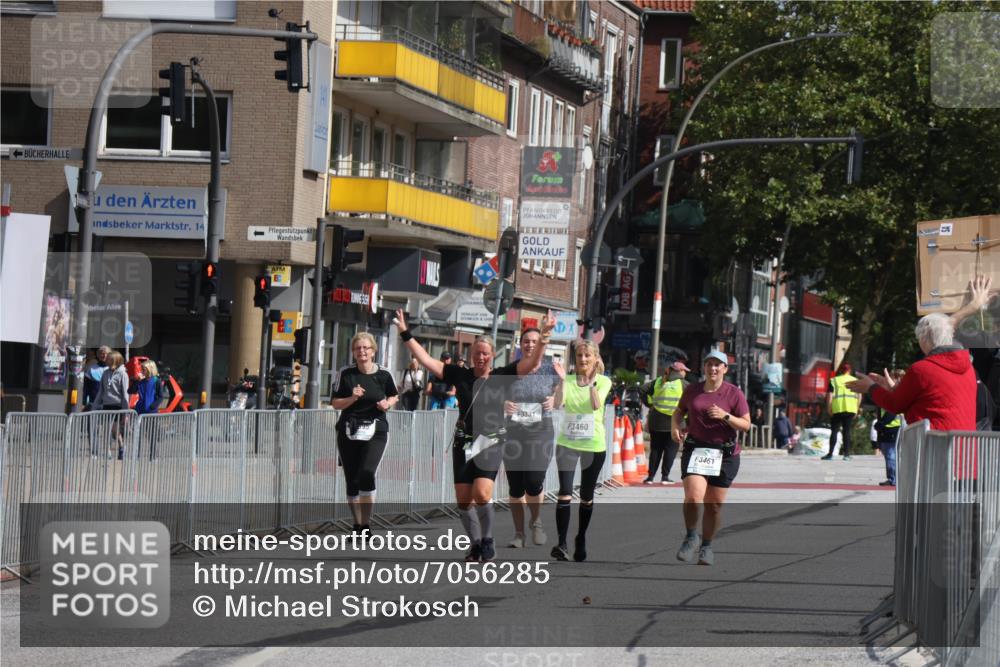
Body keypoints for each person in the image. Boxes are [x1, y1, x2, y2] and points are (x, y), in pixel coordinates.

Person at [395, 309, 555, 562]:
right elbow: (426, 359)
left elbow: (533, 363)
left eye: (485, 353)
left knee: (482, 493)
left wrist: (544, 336)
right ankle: (476, 543)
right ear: (471, 355)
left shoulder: (502, 375)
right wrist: (405, 333)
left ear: (492, 356)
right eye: (476, 353)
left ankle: (488, 539)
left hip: (491, 438)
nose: (480, 357)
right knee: (463, 499)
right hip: (463, 439)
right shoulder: (460, 375)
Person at [671, 350, 751, 566]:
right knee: (693, 497)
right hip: (696, 449)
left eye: (718, 365)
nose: (713, 368)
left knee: (713, 506)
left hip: (724, 453)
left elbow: (746, 424)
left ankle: (706, 546)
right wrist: (675, 425)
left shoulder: (734, 393)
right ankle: (690, 536)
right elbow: (679, 411)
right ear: (704, 367)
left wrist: (726, 416)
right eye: (709, 364)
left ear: (725, 368)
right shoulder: (693, 390)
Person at [492, 325, 562, 549]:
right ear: (520, 345)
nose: (530, 344)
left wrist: (555, 399)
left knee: (533, 480)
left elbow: (561, 401)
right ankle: (519, 534)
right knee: (515, 487)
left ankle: (536, 521)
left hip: (540, 431)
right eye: (526, 341)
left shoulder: (551, 370)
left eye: (534, 341)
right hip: (514, 431)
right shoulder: (511, 370)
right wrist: (503, 403)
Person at [846, 313, 976, 431]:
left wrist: (871, 388)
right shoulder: (969, 369)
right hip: (964, 449)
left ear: (925, 338)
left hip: (933, 448)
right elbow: (933, 397)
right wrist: (895, 389)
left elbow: (895, 405)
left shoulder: (922, 369)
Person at [330, 332, 399, 535]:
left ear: (373, 351)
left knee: (367, 474)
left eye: (366, 348)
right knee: (352, 479)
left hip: (376, 429)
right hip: (348, 430)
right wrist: (352, 398)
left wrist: (388, 403)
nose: (362, 351)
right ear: (353, 352)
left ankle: (367, 524)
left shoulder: (384, 374)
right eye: (358, 348)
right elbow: (335, 403)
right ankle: (357, 524)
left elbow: (394, 395)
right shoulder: (346, 374)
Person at [551, 340, 612, 562]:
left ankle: (581, 537)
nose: (583, 360)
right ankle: (561, 543)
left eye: (587, 356)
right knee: (565, 492)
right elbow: (558, 404)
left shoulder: (604, 381)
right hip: (567, 443)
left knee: (586, 496)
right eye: (579, 356)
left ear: (595, 359)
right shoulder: (567, 380)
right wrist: (560, 383)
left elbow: (596, 405)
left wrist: (591, 382)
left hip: (593, 445)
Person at [641, 360, 690, 484]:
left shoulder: (658, 381)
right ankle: (665, 477)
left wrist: (649, 403)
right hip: (676, 423)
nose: (685, 373)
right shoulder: (684, 384)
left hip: (656, 421)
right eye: (684, 371)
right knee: (671, 450)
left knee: (655, 450)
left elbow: (641, 389)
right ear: (679, 372)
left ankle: (650, 477)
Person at [822, 362, 860, 461]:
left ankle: (830, 454)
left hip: (837, 409)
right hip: (850, 409)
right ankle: (846, 455)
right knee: (847, 432)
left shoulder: (834, 380)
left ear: (841, 370)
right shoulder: (855, 380)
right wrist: (857, 408)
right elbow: (859, 396)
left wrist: (829, 408)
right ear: (849, 370)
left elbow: (830, 396)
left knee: (834, 431)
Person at [873, 371, 905, 487]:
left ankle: (893, 479)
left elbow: (892, 412)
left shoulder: (895, 393)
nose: (887, 382)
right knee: (889, 454)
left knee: (891, 454)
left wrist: (881, 424)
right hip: (887, 428)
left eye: (890, 379)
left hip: (892, 427)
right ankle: (892, 478)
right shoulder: (890, 392)